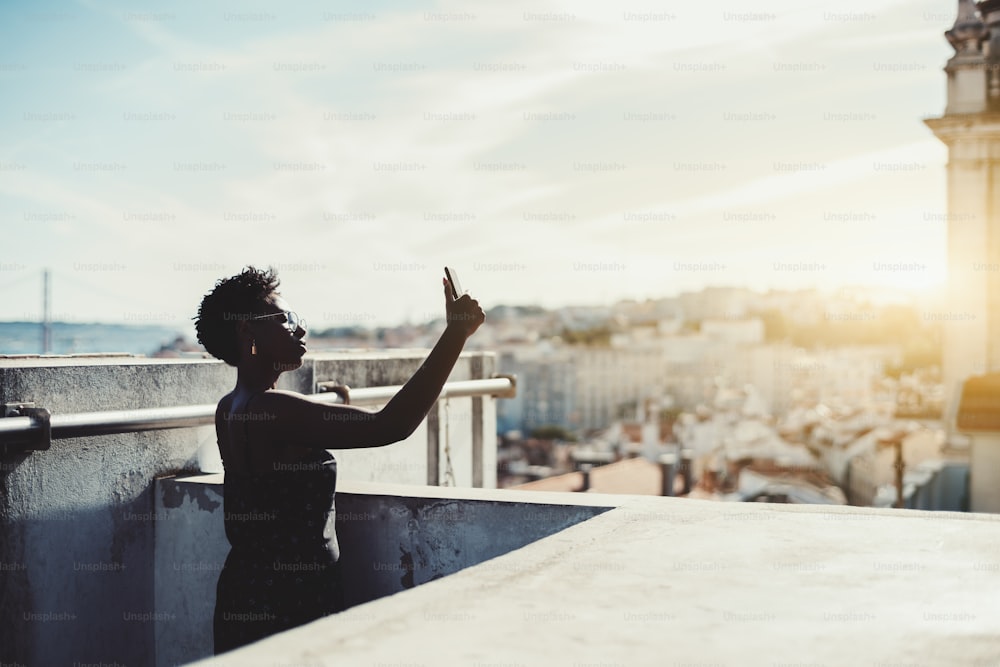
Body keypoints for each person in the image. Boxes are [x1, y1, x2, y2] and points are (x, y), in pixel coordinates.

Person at [193, 266, 484, 653]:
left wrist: (335, 409)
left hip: (246, 591)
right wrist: (455, 334)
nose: (300, 329)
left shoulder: (230, 407)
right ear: (248, 332)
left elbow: (289, 449)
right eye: (286, 320)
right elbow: (391, 426)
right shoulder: (274, 411)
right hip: (291, 601)